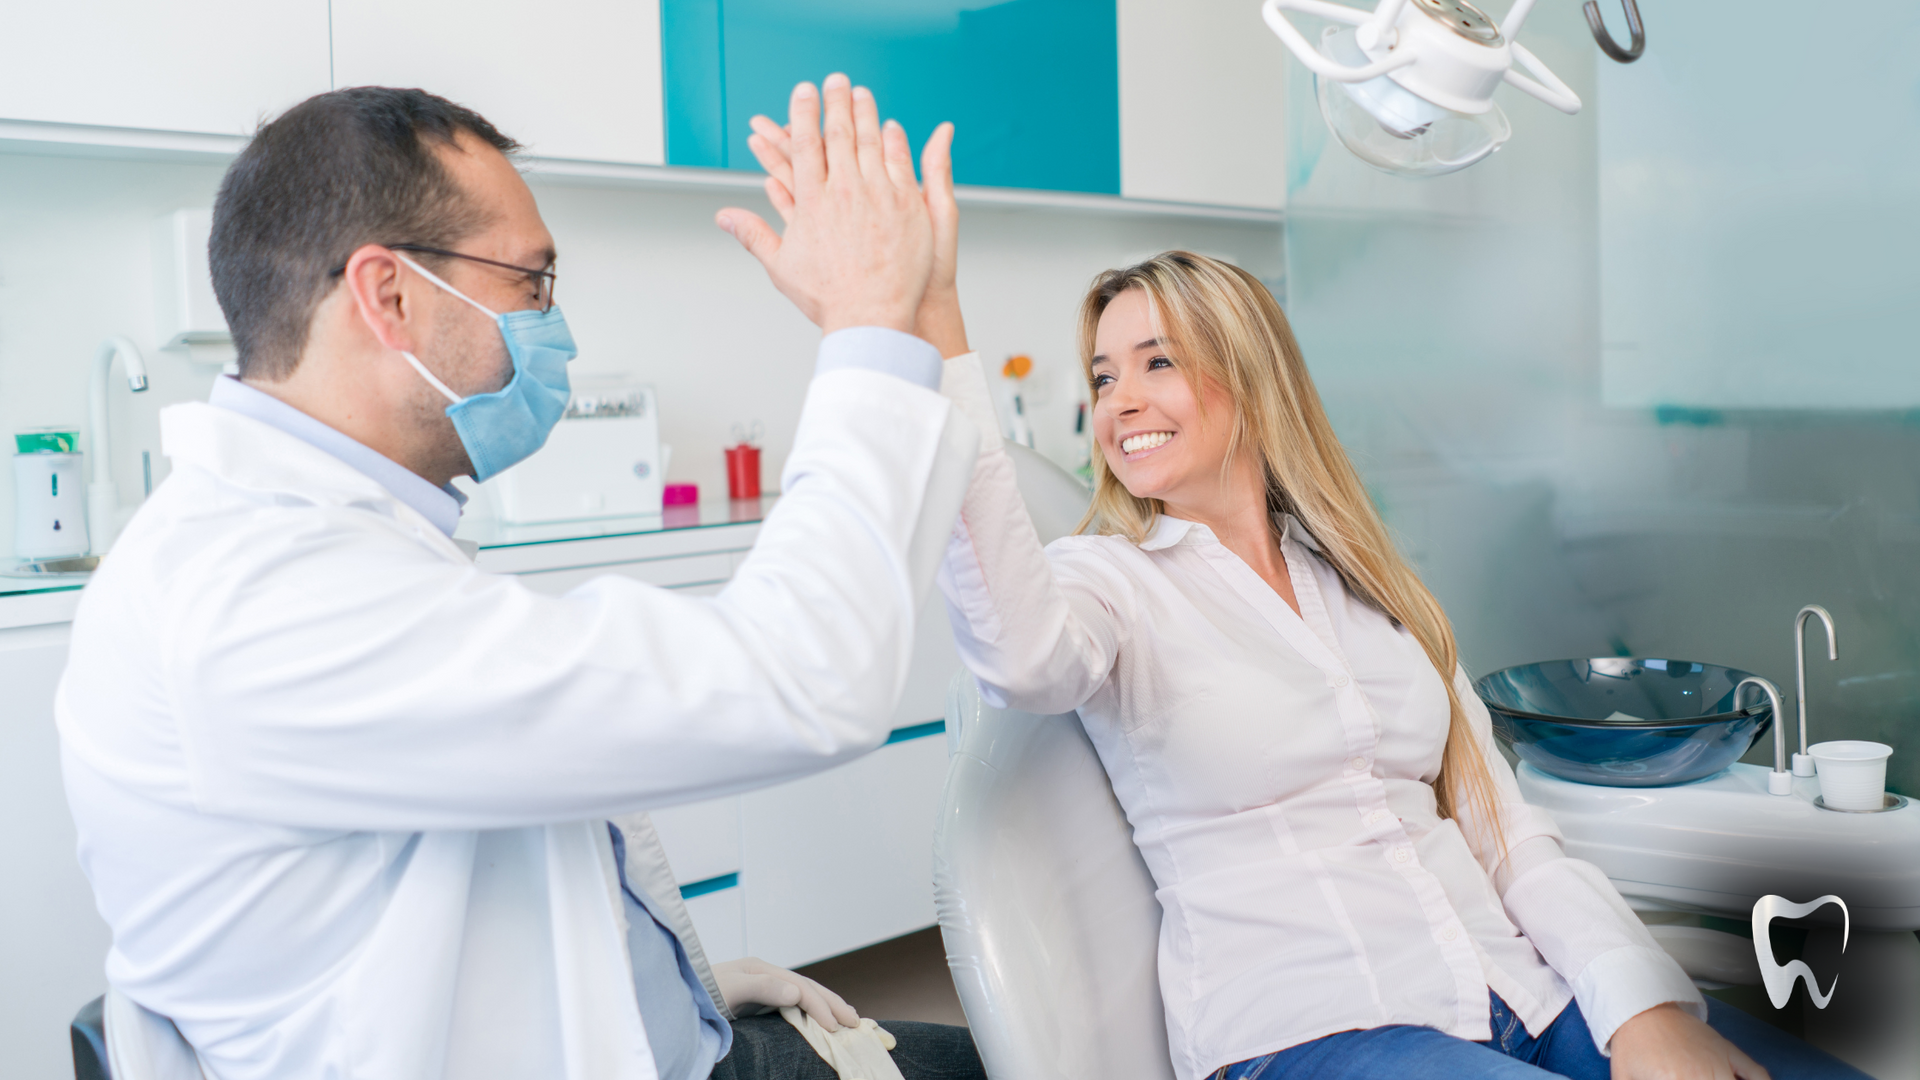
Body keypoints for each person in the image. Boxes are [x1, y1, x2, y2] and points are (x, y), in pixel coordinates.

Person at [739, 110, 1868, 1079]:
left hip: (1515, 996)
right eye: (1100, 373)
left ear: (1250, 376)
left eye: (1157, 361)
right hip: (1311, 1029)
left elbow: (1508, 837)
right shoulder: (1114, 586)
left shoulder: (1374, 591)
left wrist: (1644, 1009)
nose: (1118, 398)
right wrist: (932, 328)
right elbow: (1022, 654)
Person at [57, 78, 988, 1080]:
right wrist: (872, 323)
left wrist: (682, 987)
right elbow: (801, 680)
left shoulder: (332, 539)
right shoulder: (260, 596)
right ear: (390, 295)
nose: (556, 327)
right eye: (532, 284)